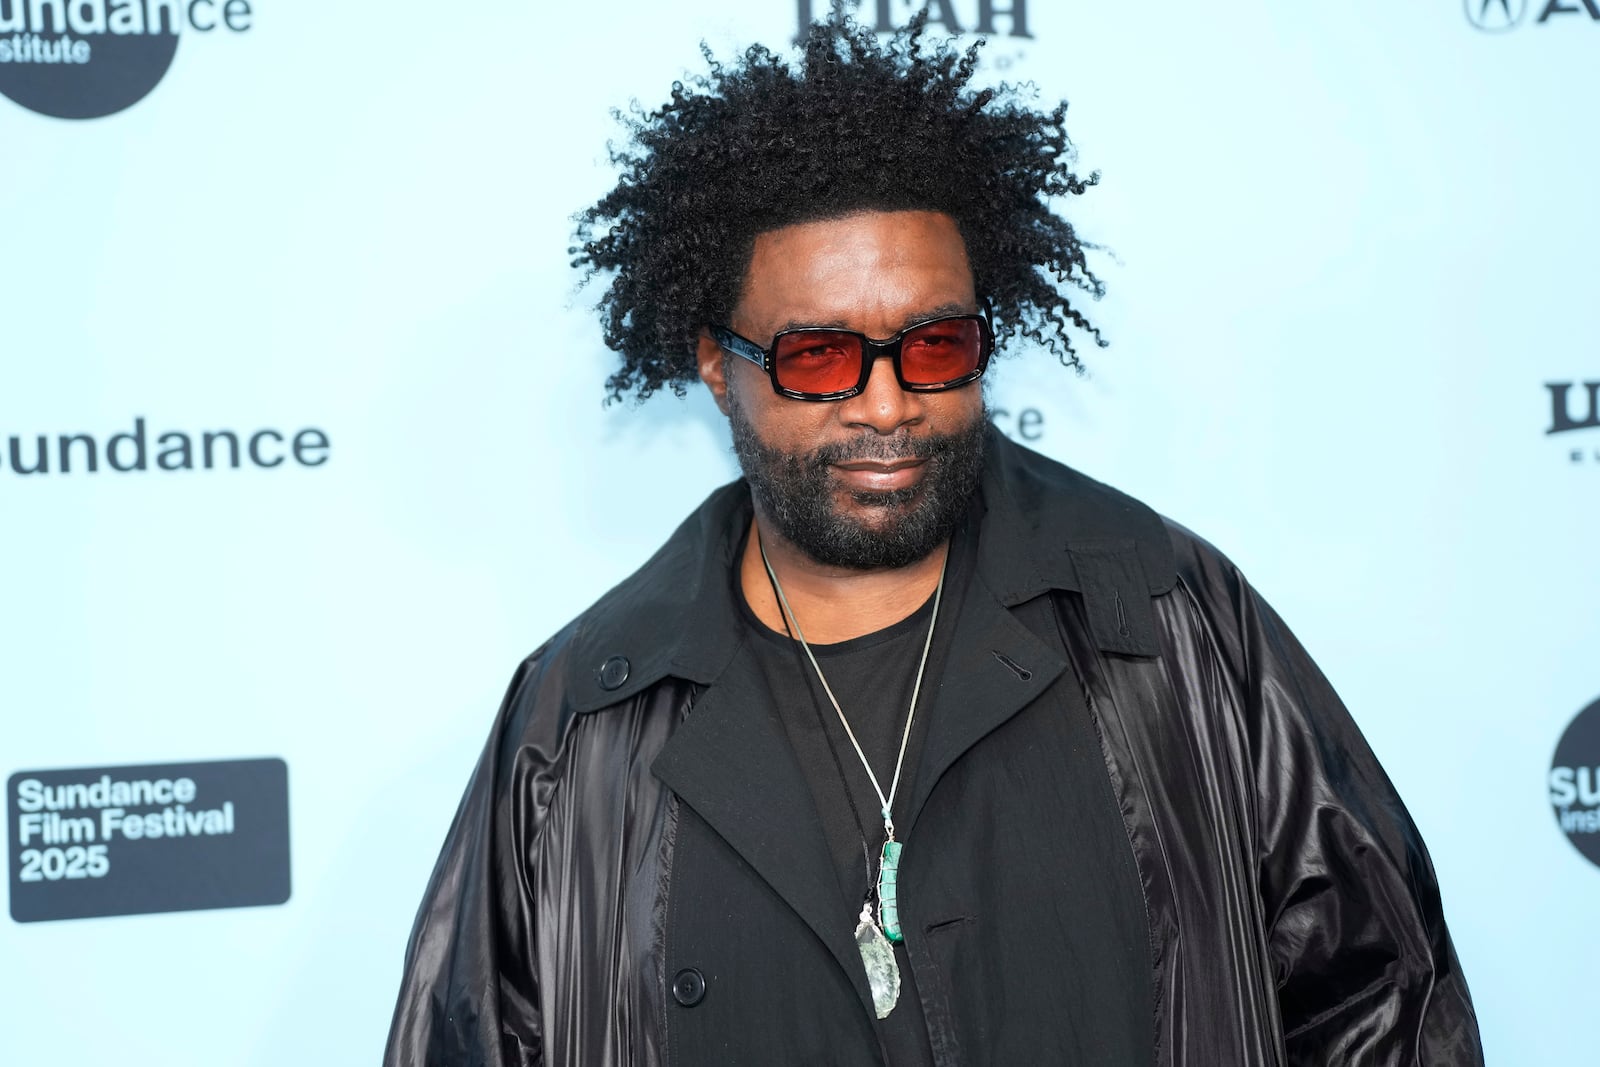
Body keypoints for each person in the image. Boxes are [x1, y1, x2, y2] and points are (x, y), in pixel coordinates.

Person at [384, 16, 1482, 1066]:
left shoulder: (1163, 614)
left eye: (935, 344)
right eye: (817, 356)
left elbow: (1380, 995)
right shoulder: (584, 713)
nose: (885, 404)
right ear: (718, 362)